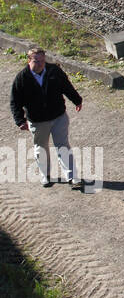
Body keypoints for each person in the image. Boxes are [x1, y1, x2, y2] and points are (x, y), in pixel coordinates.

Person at [10, 47, 85, 190]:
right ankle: (46, 175)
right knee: (41, 149)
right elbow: (15, 101)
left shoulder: (54, 71)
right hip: (38, 121)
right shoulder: (21, 78)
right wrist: (20, 120)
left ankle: (73, 177)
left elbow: (66, 86)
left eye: (42, 61)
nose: (40, 64)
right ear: (29, 60)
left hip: (58, 117)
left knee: (63, 146)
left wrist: (77, 100)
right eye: (36, 61)